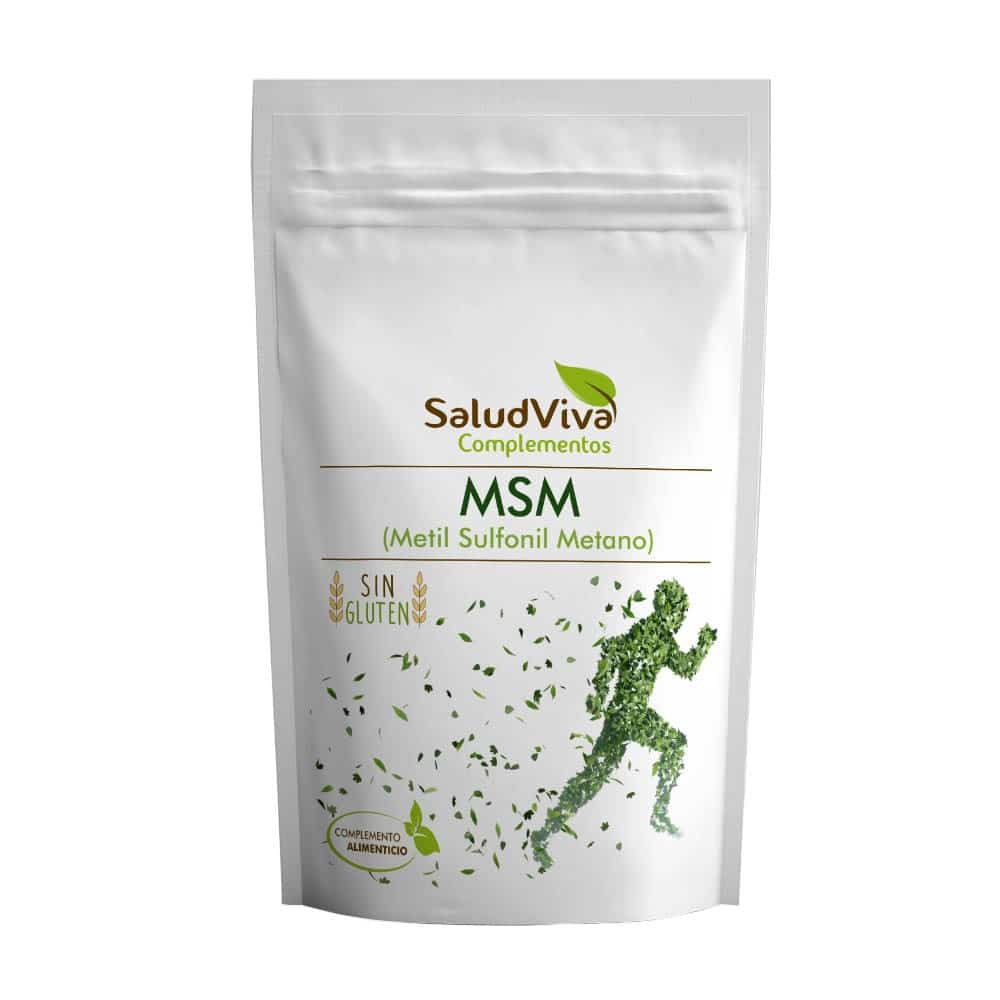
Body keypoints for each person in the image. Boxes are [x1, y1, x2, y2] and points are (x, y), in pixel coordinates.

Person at [531, 579, 717, 869]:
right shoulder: (646, 634)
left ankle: (543, 835)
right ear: (667, 609)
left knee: (592, 780)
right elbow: (613, 650)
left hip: (626, 716)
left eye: (683, 614)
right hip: (628, 716)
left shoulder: (663, 640)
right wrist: (599, 693)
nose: (681, 619)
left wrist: (704, 643)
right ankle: (658, 813)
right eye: (679, 612)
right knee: (669, 748)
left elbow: (685, 667)